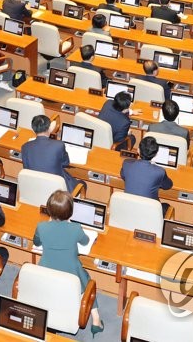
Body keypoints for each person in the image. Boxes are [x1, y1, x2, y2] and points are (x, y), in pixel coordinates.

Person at [33, 190, 104, 335]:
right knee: (87, 280)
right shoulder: (76, 229)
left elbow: (36, 242)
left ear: (49, 211)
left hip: (46, 271)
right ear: (70, 213)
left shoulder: (41, 226)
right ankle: (96, 319)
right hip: (73, 272)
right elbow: (85, 242)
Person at [21, 115, 82, 193]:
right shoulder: (59, 145)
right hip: (58, 189)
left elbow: (27, 169)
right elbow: (66, 163)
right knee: (82, 184)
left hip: (36, 186)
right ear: (49, 128)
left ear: (33, 130)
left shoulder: (25, 147)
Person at [121, 136, 174, 202]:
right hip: (149, 210)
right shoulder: (160, 172)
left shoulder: (126, 163)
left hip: (128, 206)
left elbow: (123, 176)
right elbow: (168, 186)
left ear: (138, 150)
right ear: (155, 155)